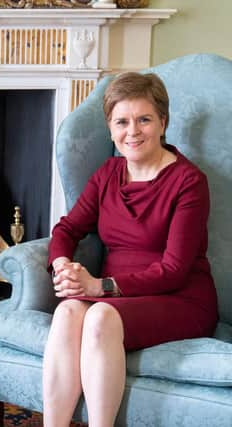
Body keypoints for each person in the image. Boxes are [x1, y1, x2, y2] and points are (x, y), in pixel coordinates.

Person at [43, 72, 218, 427]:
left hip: (181, 297)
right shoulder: (108, 174)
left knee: (100, 317)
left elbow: (175, 270)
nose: (133, 131)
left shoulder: (189, 182)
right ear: (110, 128)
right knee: (66, 313)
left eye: (144, 119)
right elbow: (67, 229)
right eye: (122, 121)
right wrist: (63, 266)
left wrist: (99, 287)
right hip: (119, 296)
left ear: (163, 122)